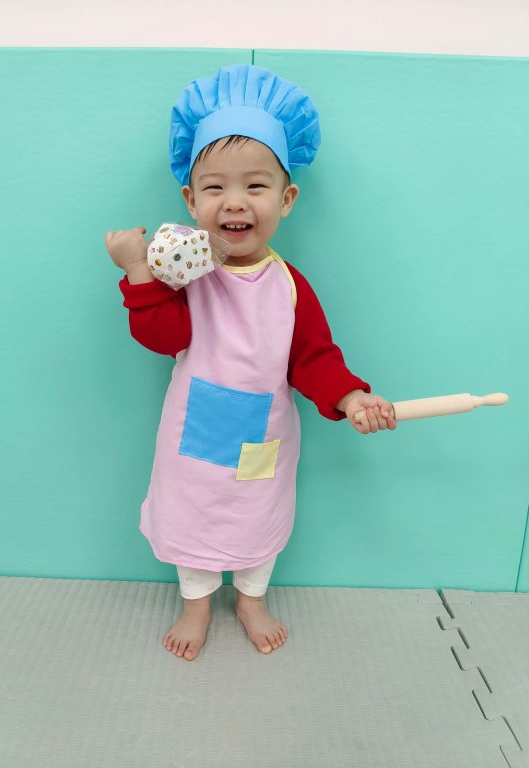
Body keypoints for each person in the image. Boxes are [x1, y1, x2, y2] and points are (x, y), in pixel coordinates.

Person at [105, 64, 396, 662]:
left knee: (257, 519)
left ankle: (251, 599)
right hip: (193, 438)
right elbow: (162, 336)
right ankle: (195, 603)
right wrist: (138, 272)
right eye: (214, 188)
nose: (234, 202)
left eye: (256, 186)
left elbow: (314, 358)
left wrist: (350, 397)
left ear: (286, 200)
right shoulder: (186, 275)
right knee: (191, 517)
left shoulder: (290, 286)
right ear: (191, 201)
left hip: (264, 437)